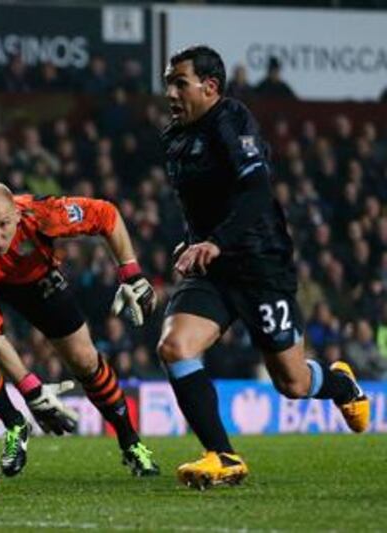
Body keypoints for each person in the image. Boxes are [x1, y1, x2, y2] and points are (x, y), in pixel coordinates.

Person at [159, 45, 369, 489]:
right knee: (175, 347)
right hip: (213, 269)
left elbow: (255, 192)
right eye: (168, 83)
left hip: (260, 266)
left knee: (292, 384)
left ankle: (342, 386)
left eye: (180, 82)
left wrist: (217, 240)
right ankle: (224, 455)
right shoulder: (174, 137)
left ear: (209, 86)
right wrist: (195, 240)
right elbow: (197, 202)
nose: (170, 92)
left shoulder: (231, 120)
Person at [0, 182, 159, 478]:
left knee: (84, 358)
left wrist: (131, 274)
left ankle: (131, 442)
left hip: (35, 281)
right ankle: (15, 423)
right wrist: (31, 390)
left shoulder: (43, 214)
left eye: (3, 225)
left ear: (17, 214)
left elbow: (107, 215)